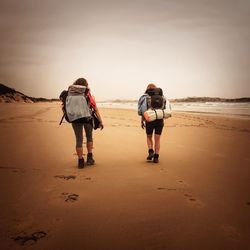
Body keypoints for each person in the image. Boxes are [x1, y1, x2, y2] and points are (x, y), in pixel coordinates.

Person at [69, 78, 104, 168]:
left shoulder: (70, 93)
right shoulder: (87, 93)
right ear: (85, 84)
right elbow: (95, 109)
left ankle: (80, 161)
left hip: (75, 119)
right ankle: (89, 158)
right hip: (87, 118)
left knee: (79, 140)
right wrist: (100, 121)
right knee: (89, 137)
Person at [138, 83, 166, 163]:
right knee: (157, 139)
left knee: (149, 136)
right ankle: (156, 157)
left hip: (149, 119)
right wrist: (162, 119)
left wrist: (142, 120)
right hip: (159, 120)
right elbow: (164, 109)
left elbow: (143, 110)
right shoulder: (162, 97)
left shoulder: (146, 97)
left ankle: (151, 151)